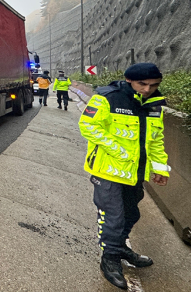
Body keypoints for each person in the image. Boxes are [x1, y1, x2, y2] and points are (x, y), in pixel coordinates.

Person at [79, 62, 170, 290]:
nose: (147, 89)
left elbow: (156, 139)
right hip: (107, 170)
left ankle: (120, 247)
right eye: (143, 84)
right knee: (114, 216)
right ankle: (109, 259)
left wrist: (160, 168)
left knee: (131, 214)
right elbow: (87, 126)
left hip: (134, 173)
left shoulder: (154, 104)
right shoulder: (108, 97)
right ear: (129, 79)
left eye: (154, 85)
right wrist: (118, 150)